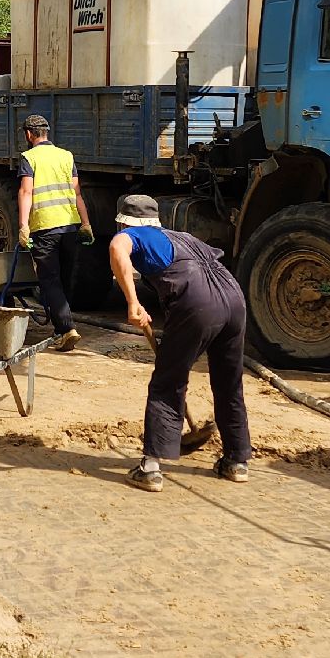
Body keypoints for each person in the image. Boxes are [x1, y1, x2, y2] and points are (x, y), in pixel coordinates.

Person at [105, 193, 253, 491]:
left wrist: (132, 302)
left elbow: (116, 248)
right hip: (234, 300)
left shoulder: (131, 235)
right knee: (229, 381)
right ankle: (236, 461)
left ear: (123, 221)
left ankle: (150, 469)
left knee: (168, 381)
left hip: (199, 303)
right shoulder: (180, 236)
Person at [14, 114, 92, 351]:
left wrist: (23, 226)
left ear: (29, 134)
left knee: (49, 279)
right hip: (70, 225)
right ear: (46, 133)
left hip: (45, 226)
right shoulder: (66, 156)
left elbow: (26, 193)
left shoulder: (29, 157)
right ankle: (62, 326)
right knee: (65, 277)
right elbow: (77, 193)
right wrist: (86, 224)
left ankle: (67, 329)